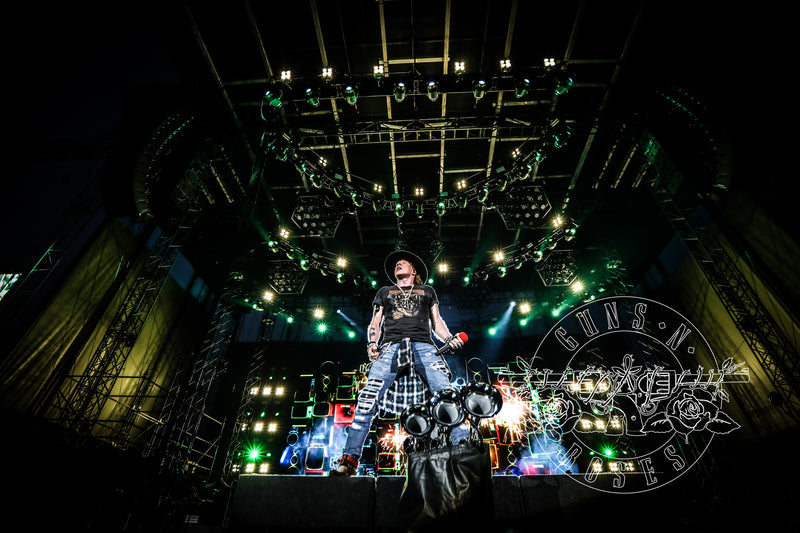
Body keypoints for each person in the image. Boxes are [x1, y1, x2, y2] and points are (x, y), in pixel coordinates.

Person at [330, 250, 467, 476]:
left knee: (445, 392)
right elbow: (376, 321)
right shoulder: (385, 291)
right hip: (390, 346)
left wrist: (449, 339)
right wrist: (372, 343)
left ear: (414, 270)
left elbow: (437, 322)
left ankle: (464, 447)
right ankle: (349, 460)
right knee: (368, 397)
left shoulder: (427, 291)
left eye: (403, 262)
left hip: (424, 345)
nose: (398, 264)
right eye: (396, 264)